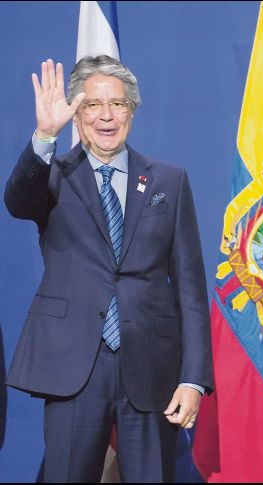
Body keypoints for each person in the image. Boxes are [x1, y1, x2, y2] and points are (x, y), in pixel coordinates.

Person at [4, 56, 212, 482]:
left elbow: (190, 287)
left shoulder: (167, 181)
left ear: (132, 110)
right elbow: (17, 201)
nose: (106, 115)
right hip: (74, 365)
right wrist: (45, 135)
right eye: (93, 105)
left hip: (151, 366)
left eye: (117, 104)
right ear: (77, 115)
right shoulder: (53, 175)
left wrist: (194, 379)